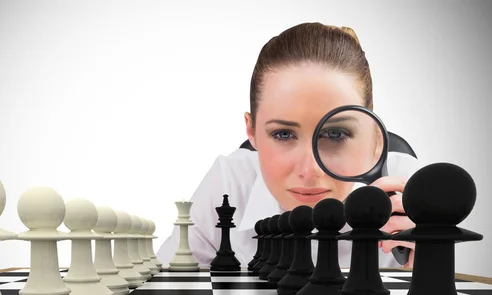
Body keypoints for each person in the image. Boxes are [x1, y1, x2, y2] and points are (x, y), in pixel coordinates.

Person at [156, 22, 422, 270]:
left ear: (377, 139)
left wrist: (425, 267)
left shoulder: (409, 188)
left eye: (336, 134)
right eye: (283, 134)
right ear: (252, 131)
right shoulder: (229, 182)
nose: (309, 170)